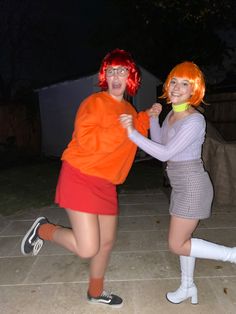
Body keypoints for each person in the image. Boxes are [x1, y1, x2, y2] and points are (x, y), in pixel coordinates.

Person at [20, 48, 159, 308]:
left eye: (122, 71)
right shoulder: (94, 103)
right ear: (105, 75)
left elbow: (133, 131)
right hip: (81, 175)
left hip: (106, 183)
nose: (116, 76)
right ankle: (43, 229)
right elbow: (88, 140)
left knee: (106, 242)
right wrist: (124, 127)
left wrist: (146, 116)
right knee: (87, 248)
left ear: (130, 76)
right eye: (111, 71)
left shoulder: (128, 109)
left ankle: (95, 292)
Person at [120, 61, 236, 305]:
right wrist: (153, 118)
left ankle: (232, 255)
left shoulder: (195, 121)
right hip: (180, 185)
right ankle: (187, 286)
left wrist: (133, 134)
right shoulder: (172, 114)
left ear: (194, 91)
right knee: (185, 242)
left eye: (185, 84)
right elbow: (161, 145)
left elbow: (164, 154)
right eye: (174, 81)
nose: (176, 87)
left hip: (193, 185)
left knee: (177, 244)